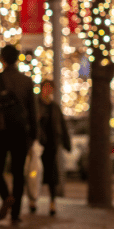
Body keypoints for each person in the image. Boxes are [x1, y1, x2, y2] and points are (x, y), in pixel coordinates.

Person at [0, 44, 38, 224]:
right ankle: (15, 214)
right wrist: (34, 134)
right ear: (17, 59)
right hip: (20, 131)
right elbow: (32, 111)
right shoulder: (26, 81)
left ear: (2, 59)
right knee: (18, 172)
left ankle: (6, 197)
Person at [33, 79, 71, 216]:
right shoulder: (35, 105)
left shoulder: (54, 107)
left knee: (52, 174)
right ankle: (33, 199)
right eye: (46, 88)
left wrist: (66, 143)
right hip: (38, 144)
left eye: (50, 88)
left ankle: (52, 202)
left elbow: (62, 126)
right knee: (35, 173)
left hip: (51, 145)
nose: (48, 91)